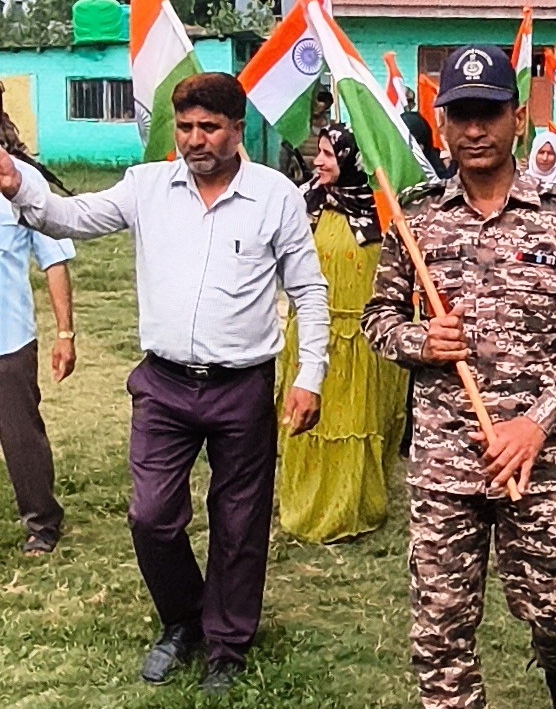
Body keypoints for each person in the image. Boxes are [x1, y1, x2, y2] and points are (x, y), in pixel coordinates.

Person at [0, 72, 329, 694]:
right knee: (151, 516)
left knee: (239, 518)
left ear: (237, 130)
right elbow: (70, 217)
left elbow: (309, 293)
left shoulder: (276, 196)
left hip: (243, 386)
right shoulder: (146, 185)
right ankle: (183, 620)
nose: (195, 140)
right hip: (164, 385)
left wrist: (309, 375)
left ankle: (227, 643)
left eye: (209, 128)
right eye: (185, 127)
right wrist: (19, 185)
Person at [362, 44, 556, 709]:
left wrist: (536, 424)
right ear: (441, 122)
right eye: (461, 114)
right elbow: (378, 317)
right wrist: (421, 337)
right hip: (447, 456)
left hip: (543, 456)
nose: (475, 129)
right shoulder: (415, 216)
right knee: (440, 631)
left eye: (489, 113)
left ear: (516, 118)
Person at [276, 123, 408, 543]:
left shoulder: (381, 210)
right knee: (312, 424)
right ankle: (307, 506)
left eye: (330, 154)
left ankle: (353, 506)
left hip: (362, 340)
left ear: (352, 160)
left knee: (356, 421)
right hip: (314, 336)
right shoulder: (304, 204)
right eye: (319, 152)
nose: (318, 160)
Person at [0, 157, 75, 556]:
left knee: (20, 435)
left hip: (7, 337)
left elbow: (55, 260)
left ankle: (41, 522)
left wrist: (65, 333)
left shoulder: (24, 181)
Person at [279, 89, 334, 184]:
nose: (316, 104)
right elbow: (284, 161)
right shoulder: (297, 129)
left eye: (320, 100)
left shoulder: (334, 131)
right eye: (313, 100)